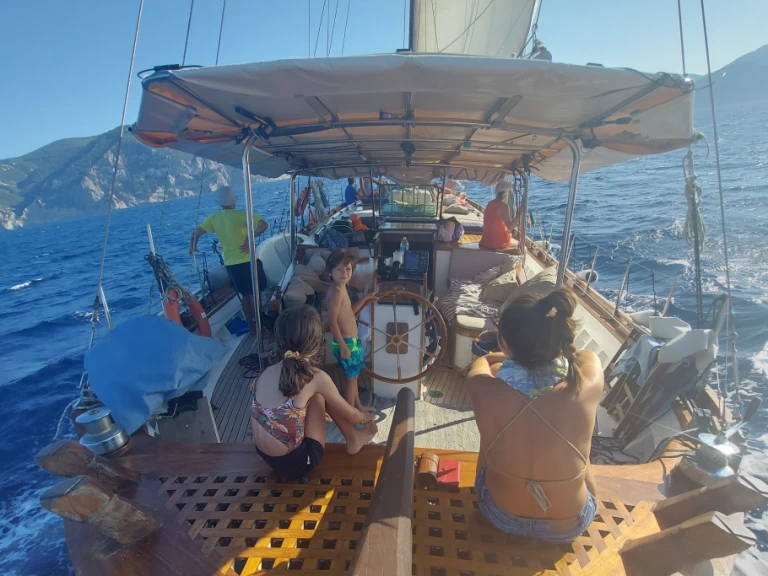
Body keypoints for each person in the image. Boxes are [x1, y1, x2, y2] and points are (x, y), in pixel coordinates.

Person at [466, 288, 603, 542]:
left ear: (504, 342)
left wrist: (499, 358)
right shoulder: (588, 383)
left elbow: (482, 364)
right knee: (582, 452)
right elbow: (584, 356)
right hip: (570, 524)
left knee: (491, 434)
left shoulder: (481, 389)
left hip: (501, 516)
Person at [252, 306, 377, 479]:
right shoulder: (315, 377)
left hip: (266, 457)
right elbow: (352, 416)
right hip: (299, 462)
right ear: (315, 343)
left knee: (309, 395)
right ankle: (354, 438)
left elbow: (280, 413)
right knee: (319, 394)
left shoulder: (266, 373)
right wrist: (365, 418)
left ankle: (351, 436)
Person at [189, 186, 268, 335]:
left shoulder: (214, 218)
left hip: (232, 265)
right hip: (248, 260)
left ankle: (252, 327)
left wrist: (193, 247)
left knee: (245, 296)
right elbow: (264, 225)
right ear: (233, 202)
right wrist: (249, 240)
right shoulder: (242, 214)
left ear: (220, 203)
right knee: (255, 294)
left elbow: (195, 234)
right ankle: (263, 326)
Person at [326, 249, 378, 413]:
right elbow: (332, 321)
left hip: (351, 342)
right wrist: (342, 345)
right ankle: (351, 413)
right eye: (339, 269)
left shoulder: (342, 289)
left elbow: (351, 313)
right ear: (330, 272)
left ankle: (358, 406)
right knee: (350, 379)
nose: (344, 273)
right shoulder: (335, 293)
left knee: (354, 377)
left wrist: (366, 298)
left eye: (348, 269)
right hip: (345, 343)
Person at [480, 180, 520, 249]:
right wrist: (520, 214)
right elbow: (510, 228)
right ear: (506, 193)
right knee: (522, 247)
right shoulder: (503, 206)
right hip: (498, 243)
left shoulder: (490, 203)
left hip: (486, 241)